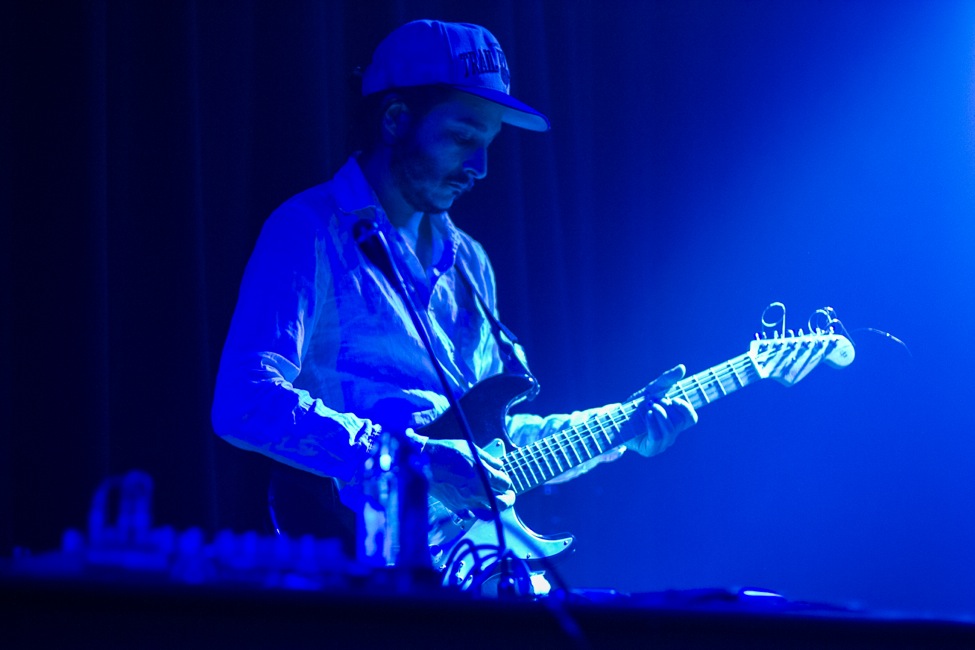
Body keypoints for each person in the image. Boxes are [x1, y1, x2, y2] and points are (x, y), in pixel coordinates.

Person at [211, 20, 697, 565]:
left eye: (487, 145)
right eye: (464, 138)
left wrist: (621, 426)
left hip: (460, 569)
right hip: (356, 557)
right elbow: (244, 399)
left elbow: (497, 437)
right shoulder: (308, 229)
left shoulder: (470, 261)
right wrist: (411, 460)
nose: (481, 168)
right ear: (396, 119)